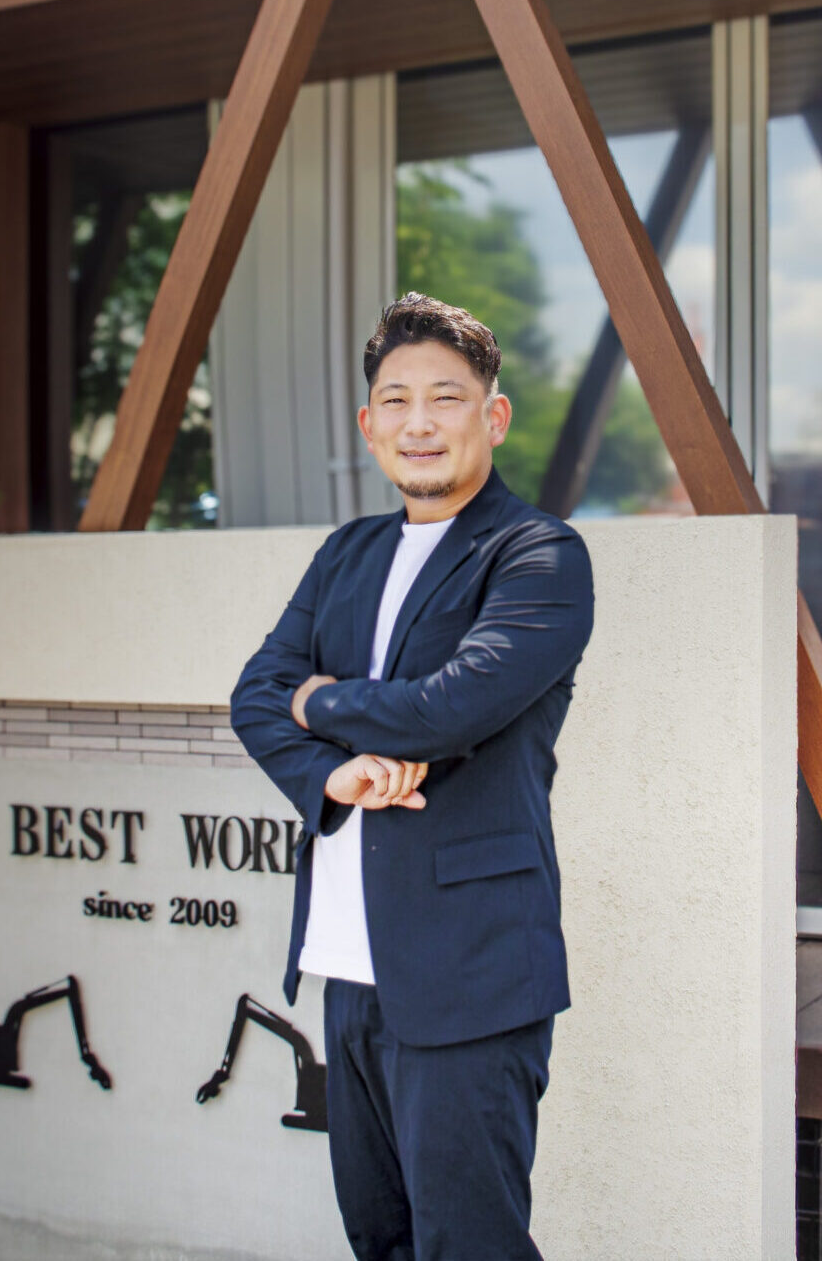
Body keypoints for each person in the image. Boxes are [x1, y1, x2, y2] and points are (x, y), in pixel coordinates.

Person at [230, 293, 594, 1261]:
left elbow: (448, 709)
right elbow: (253, 696)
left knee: (468, 1245)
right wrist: (333, 776)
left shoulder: (537, 554)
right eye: (396, 400)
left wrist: (316, 699)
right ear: (369, 424)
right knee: (379, 1239)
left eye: (446, 397)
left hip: (470, 970)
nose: (419, 422)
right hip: (348, 966)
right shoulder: (346, 552)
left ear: (493, 415)